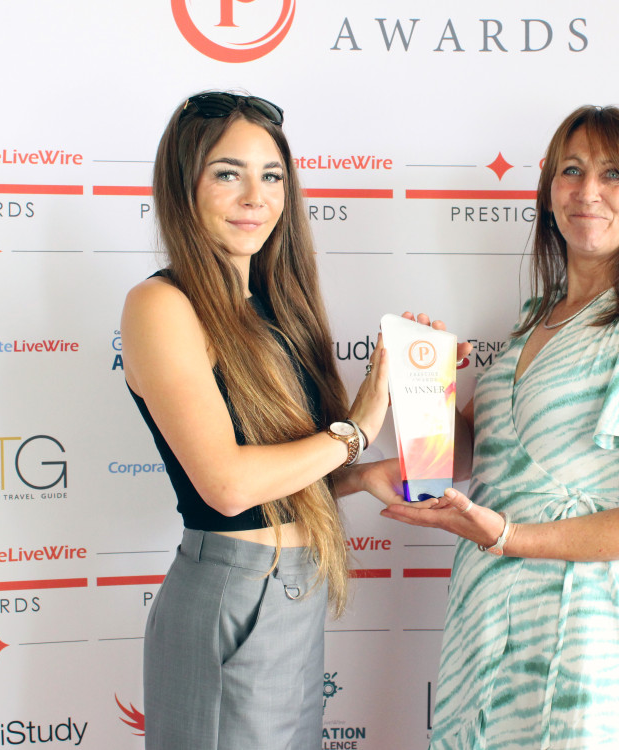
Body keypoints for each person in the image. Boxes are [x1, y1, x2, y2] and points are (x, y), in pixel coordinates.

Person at [382, 105, 619, 749]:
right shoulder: (532, 319)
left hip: (583, 626)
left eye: (614, 175)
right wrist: (425, 382)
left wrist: (510, 536)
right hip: (487, 611)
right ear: (547, 195)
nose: (587, 191)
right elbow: (460, 456)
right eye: (571, 170)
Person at [120, 91, 405, 749]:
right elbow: (227, 486)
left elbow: (282, 476)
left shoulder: (278, 307)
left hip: (294, 596)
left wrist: (360, 475)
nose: (256, 196)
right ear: (183, 185)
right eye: (228, 173)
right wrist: (354, 430)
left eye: (271, 176)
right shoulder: (162, 305)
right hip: (232, 596)